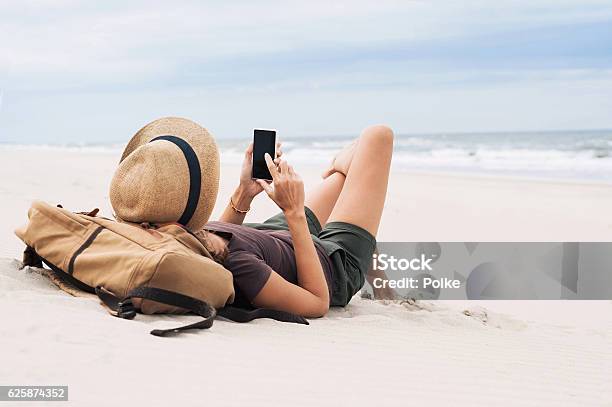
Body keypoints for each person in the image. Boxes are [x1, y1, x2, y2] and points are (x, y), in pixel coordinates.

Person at [198, 125, 394, 318]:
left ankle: (343, 168)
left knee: (347, 173)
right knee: (378, 137)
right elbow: (317, 303)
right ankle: (378, 278)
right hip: (327, 262)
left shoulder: (177, 233)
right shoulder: (241, 265)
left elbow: (215, 242)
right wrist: (293, 212)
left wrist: (244, 192)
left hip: (269, 235)